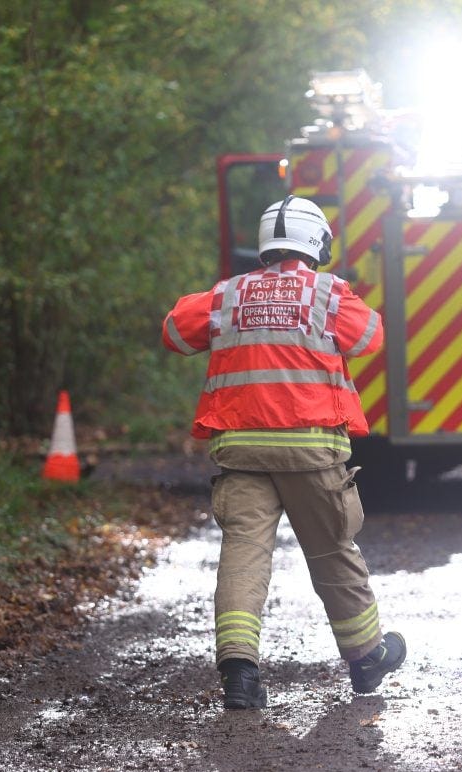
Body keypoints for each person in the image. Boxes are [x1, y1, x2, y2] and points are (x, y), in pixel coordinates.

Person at [161, 195, 406, 709]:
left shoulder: (228, 295)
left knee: (244, 554)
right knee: (333, 549)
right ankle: (365, 660)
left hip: (241, 450)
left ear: (266, 245)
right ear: (316, 243)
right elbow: (370, 337)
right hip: (311, 450)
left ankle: (240, 675)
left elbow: (174, 333)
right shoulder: (327, 293)